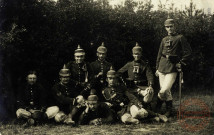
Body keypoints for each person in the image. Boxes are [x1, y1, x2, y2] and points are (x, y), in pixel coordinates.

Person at [155, 18, 192, 117]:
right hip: (162, 66)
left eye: (171, 26)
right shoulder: (164, 39)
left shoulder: (180, 38)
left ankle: (156, 107)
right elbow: (159, 54)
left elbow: (188, 52)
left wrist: (181, 62)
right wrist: (157, 68)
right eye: (167, 27)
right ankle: (169, 110)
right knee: (166, 91)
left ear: (175, 26)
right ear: (165, 28)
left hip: (173, 67)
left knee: (164, 90)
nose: (169, 28)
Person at [117, 43, 154, 108]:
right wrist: (123, 82)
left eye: (138, 54)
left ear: (141, 54)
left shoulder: (145, 65)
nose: (137, 56)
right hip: (131, 87)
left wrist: (150, 85)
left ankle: (145, 105)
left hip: (143, 87)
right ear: (132, 55)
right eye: (135, 54)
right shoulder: (129, 64)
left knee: (150, 92)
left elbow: (150, 75)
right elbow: (119, 73)